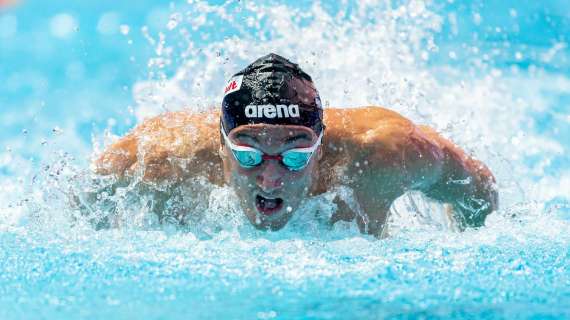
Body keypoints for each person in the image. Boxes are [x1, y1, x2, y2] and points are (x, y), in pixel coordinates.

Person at [95, 53, 498, 237]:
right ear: (220, 145)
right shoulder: (160, 157)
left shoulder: (383, 154)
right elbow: (83, 203)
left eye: (295, 155)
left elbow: (477, 187)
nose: (270, 178)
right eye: (248, 154)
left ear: (321, 148)